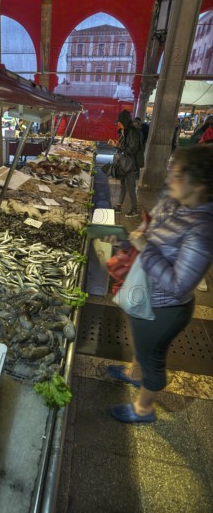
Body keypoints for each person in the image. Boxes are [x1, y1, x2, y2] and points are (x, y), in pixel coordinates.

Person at [107, 145, 213, 423]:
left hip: (165, 308)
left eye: (177, 174)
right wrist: (129, 237)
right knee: (142, 347)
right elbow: (151, 227)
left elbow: (179, 285)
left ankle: (144, 409)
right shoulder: (175, 200)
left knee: (153, 357)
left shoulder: (203, 229)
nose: (169, 179)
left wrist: (146, 249)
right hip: (147, 295)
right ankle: (134, 373)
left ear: (200, 182)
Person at [113, 110, 144, 218]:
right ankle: (118, 206)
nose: (118, 124)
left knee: (130, 186)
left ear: (124, 121)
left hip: (131, 164)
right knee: (123, 184)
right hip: (125, 163)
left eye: (120, 122)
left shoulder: (133, 132)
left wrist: (120, 148)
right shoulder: (126, 131)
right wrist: (118, 145)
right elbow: (126, 146)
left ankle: (134, 209)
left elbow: (133, 149)